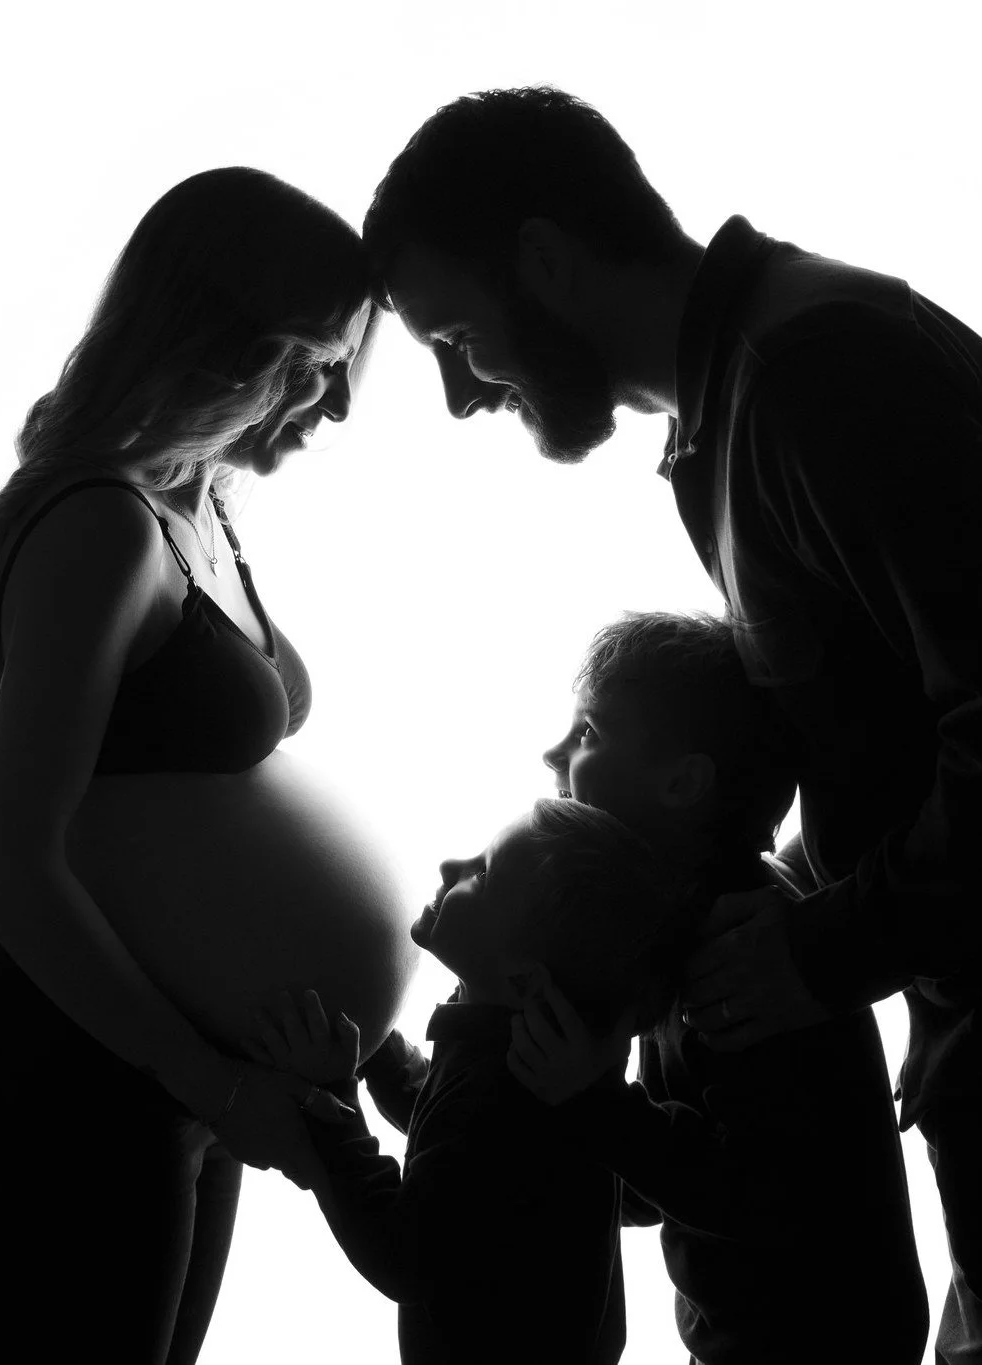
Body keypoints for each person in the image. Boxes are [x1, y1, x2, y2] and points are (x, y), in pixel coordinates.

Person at [362, 86, 982, 1362]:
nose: (464, 396)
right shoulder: (734, 417)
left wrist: (818, 949)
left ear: (545, 260)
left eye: (460, 338)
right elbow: (880, 745)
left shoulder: (818, 373)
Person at [0, 167, 418, 1365]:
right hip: (83, 1061)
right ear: (217, 340)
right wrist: (210, 1080)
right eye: (314, 362)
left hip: (185, 1070)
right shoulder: (101, 525)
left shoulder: (199, 503)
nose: (336, 405)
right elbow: (1, 865)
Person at [511, 611, 927, 1362]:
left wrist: (598, 1107)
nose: (552, 753)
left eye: (588, 732)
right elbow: (667, 1174)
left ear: (682, 783)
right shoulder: (683, 931)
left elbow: (758, 1194)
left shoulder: (741, 966)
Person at [246, 798, 709, 1365]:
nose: (451, 866)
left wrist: (332, 1107)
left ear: (523, 981)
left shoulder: (504, 1096)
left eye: (482, 875)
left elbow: (403, 1255)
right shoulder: (519, 1049)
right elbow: (442, 1132)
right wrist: (377, 1049)